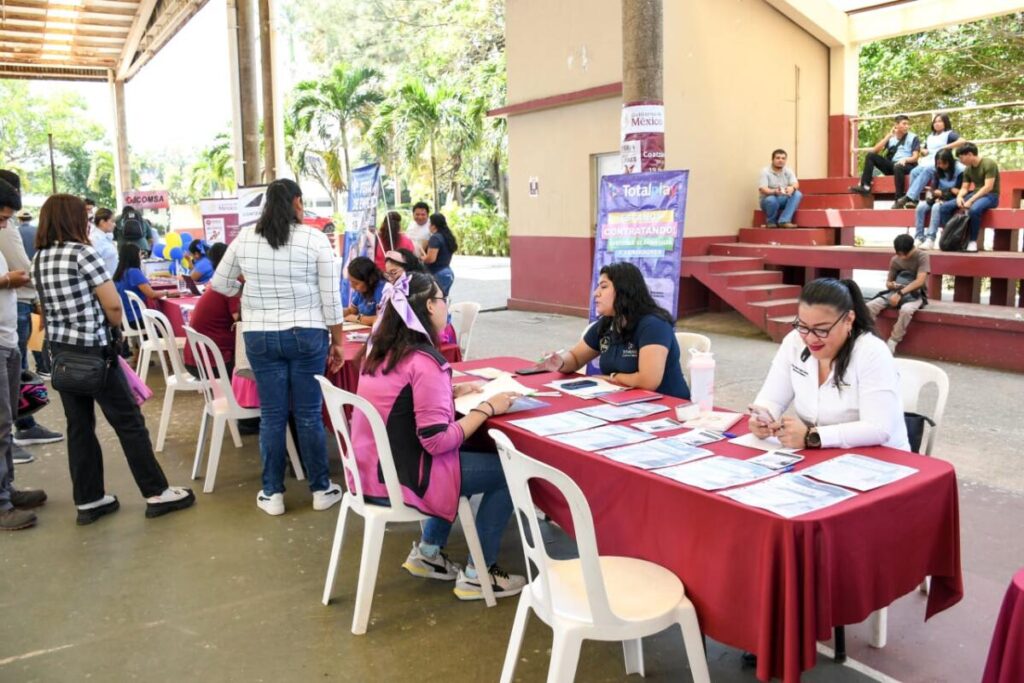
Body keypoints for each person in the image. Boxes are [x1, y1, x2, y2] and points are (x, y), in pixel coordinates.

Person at [353, 271, 527, 599]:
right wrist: (487, 408)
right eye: (443, 299)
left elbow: (403, 401)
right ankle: (482, 572)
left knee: (475, 457)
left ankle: (430, 553)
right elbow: (438, 441)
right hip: (409, 477)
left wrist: (451, 389)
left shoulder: (380, 352)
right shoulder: (424, 361)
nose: (446, 306)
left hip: (373, 471)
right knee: (510, 470)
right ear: (430, 307)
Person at [33, 194, 195, 524]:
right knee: (129, 423)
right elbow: (112, 304)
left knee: (80, 427)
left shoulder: (40, 258)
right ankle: (156, 492)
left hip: (61, 353)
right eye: (85, 218)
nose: (89, 224)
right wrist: (113, 328)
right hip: (96, 351)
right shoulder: (83, 254)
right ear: (73, 220)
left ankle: (89, 500)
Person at [211, 178, 345, 516]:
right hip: (307, 333)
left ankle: (272, 493)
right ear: (297, 202)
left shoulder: (245, 237)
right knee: (308, 413)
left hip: (259, 335)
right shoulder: (314, 238)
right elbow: (331, 296)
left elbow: (220, 284)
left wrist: (250, 292)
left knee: (272, 415)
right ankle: (320, 489)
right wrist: (338, 340)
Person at [748, 278, 909, 451]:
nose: (810, 338)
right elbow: (772, 398)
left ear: (848, 319)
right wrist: (762, 418)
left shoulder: (872, 352)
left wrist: (813, 436)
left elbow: (879, 428)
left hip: (880, 459)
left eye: (822, 329)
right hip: (821, 456)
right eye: (802, 326)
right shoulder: (794, 342)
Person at [538, 262, 691, 399]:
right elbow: (576, 358)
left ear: (625, 291)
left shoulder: (653, 325)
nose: (596, 293)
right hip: (624, 401)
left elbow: (648, 381)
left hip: (667, 405)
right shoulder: (608, 323)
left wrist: (613, 377)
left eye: (603, 287)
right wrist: (560, 361)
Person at [0, 171, 65, 455]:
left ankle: (7, 482)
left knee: (14, 380)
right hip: (12, 315)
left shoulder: (9, 228)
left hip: (13, 316)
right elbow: (21, 269)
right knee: (6, 396)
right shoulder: (8, 230)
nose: (5, 223)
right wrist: (8, 280)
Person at [0, 175, 47, 529]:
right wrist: (7, 281)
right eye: (2, 218)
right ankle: (1, 504)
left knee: (5, 421)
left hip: (6, 338)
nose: (6, 224)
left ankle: (7, 488)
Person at [865, 234, 929, 355]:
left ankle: (893, 341)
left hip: (914, 294)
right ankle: (869, 337)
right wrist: (894, 286)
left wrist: (900, 293)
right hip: (895, 291)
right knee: (870, 306)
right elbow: (888, 283)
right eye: (899, 254)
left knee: (906, 310)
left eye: (905, 254)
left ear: (912, 248)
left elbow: (920, 281)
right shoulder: (895, 260)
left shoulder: (922, 256)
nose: (902, 257)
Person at [183, 243, 238, 377]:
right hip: (213, 363)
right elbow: (242, 324)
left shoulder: (218, 284)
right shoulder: (230, 287)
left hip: (196, 361)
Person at [937, 143, 1000, 253]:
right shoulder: (968, 169)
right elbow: (965, 187)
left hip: (991, 196)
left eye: (961, 157)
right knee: (944, 207)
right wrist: (960, 197)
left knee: (974, 210)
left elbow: (988, 187)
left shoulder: (989, 163)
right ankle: (949, 237)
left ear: (970, 154)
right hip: (975, 194)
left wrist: (971, 200)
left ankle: (972, 241)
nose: (960, 161)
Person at [894, 113, 965, 209]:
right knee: (914, 172)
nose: (937, 123)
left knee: (927, 170)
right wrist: (923, 151)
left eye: (940, 121)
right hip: (928, 160)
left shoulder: (949, 134)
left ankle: (909, 197)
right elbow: (926, 150)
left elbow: (962, 141)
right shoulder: (930, 136)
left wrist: (945, 147)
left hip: (940, 161)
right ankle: (914, 201)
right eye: (935, 122)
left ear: (945, 123)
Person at [849, 115, 920, 199]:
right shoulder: (891, 138)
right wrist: (888, 136)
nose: (906, 126)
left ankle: (899, 198)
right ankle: (865, 186)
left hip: (907, 165)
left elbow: (915, 157)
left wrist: (905, 160)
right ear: (896, 125)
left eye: (907, 124)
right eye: (904, 124)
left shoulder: (913, 137)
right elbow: (874, 151)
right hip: (893, 166)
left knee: (898, 166)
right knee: (870, 156)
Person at [113, 244, 178, 331]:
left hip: (125, 318)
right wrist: (167, 292)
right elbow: (151, 294)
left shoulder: (119, 273)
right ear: (134, 256)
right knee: (167, 321)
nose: (141, 257)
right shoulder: (134, 272)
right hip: (137, 317)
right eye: (140, 254)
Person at [911, 149, 963, 249]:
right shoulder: (937, 169)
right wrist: (941, 193)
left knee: (936, 207)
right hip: (938, 197)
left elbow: (958, 191)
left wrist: (943, 193)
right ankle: (919, 237)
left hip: (952, 198)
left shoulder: (960, 170)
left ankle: (930, 238)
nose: (941, 166)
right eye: (938, 163)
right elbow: (934, 189)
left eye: (943, 163)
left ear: (949, 162)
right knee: (921, 207)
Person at [758, 149, 802, 228]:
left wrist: (792, 188)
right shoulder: (765, 171)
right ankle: (771, 222)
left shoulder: (788, 170)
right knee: (771, 199)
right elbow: (763, 189)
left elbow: (796, 184)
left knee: (797, 193)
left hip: (783, 198)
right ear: (773, 159)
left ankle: (784, 221)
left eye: (783, 158)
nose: (780, 160)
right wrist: (774, 191)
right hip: (767, 201)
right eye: (778, 158)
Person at [343, 256, 386, 326]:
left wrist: (358, 318)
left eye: (356, 283)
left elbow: (381, 319)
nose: (352, 286)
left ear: (369, 280)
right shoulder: (361, 290)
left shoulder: (382, 290)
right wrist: (338, 313)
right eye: (350, 281)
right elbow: (352, 310)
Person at [423, 212, 458, 296]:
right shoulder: (447, 237)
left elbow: (431, 259)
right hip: (447, 272)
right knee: (442, 300)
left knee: (435, 300)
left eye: (429, 223)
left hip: (437, 273)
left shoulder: (435, 238)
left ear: (434, 225)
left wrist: (422, 258)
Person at [89, 208, 118, 275]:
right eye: (112, 221)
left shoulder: (107, 236)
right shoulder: (95, 239)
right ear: (102, 222)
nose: (114, 224)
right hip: (105, 280)